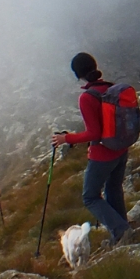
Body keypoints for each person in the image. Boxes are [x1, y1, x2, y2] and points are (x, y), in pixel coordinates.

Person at [52, 53, 129, 245]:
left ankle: (121, 230)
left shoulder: (87, 97)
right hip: (121, 148)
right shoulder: (111, 88)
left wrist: (65, 138)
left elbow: (94, 133)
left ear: (78, 74)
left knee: (90, 197)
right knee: (113, 188)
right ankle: (122, 231)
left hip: (103, 154)